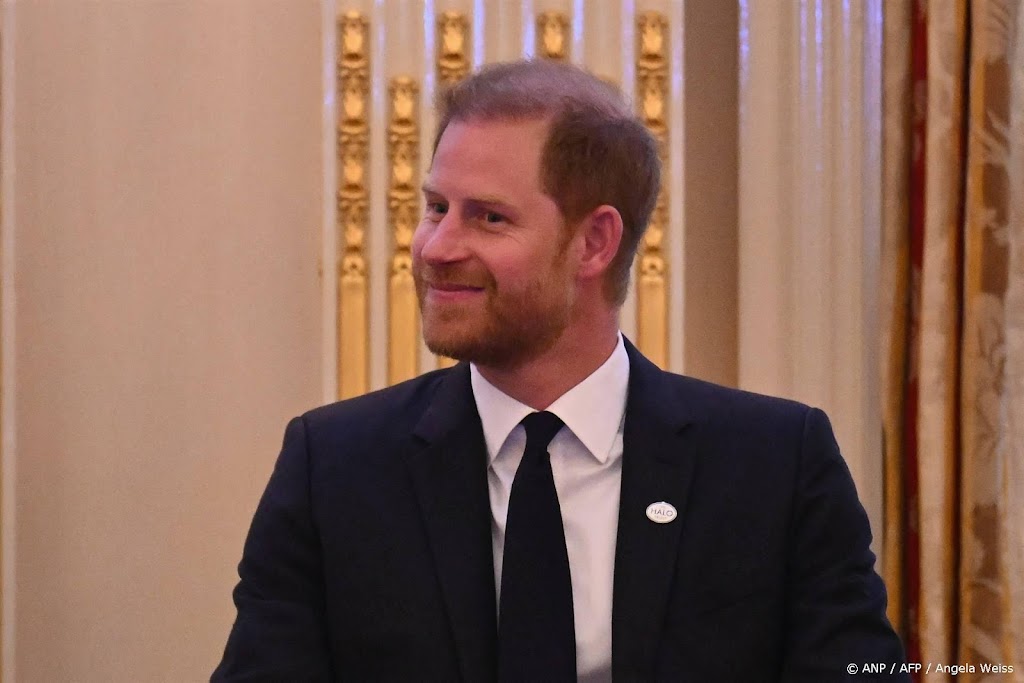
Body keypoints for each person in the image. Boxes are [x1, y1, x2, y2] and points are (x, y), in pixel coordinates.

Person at [213, 59, 907, 682]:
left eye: (489, 217)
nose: (436, 248)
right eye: (436, 208)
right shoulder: (335, 467)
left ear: (594, 242)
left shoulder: (773, 465)